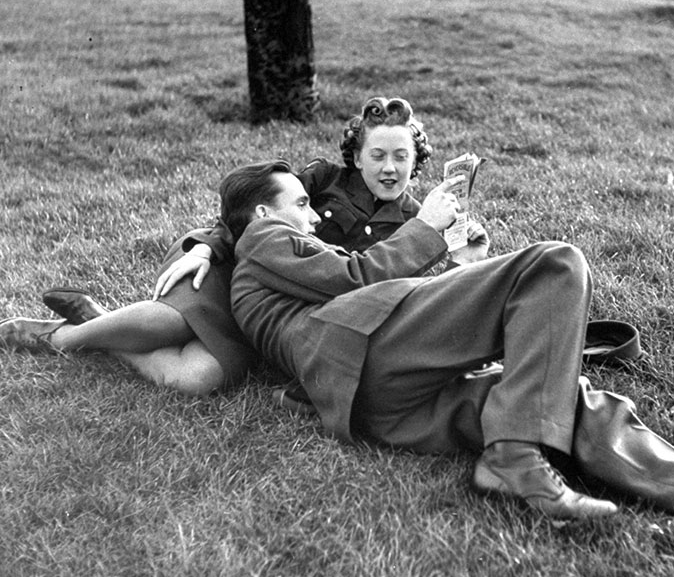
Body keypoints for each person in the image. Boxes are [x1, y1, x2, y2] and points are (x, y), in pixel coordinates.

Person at [223, 158, 674, 557]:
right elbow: (357, 278)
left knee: (569, 402)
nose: (312, 216)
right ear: (259, 213)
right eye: (302, 203)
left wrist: (457, 271)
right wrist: (426, 228)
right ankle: (512, 459)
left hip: (378, 401)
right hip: (361, 349)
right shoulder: (263, 235)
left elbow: (347, 280)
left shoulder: (260, 264)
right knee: (554, 264)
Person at [0, 97, 451, 395]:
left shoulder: (419, 222)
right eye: (378, 155)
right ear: (357, 156)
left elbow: (398, 289)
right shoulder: (322, 180)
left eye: (401, 157)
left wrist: (461, 255)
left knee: (199, 379)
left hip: (277, 310)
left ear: (417, 160)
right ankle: (60, 338)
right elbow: (250, 208)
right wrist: (205, 246)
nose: (389, 168)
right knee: (173, 323)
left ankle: (100, 324)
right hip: (234, 264)